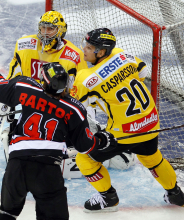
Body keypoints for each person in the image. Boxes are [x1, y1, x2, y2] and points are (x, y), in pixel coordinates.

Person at [0, 49, 117, 220]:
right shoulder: (74, 108)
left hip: (16, 165)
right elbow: (85, 145)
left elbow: (0, 90)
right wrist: (102, 139)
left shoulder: (25, 86)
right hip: (47, 169)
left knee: (7, 214)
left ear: (44, 81)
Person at [71, 27, 184, 212]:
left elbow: (76, 106)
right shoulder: (122, 55)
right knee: (152, 158)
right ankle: (175, 194)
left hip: (123, 133)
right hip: (150, 121)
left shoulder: (85, 77)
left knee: (85, 160)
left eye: (89, 47)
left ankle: (108, 198)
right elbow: (142, 73)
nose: (84, 48)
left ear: (101, 52)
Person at [0, 10, 88, 167]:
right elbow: (13, 77)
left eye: (51, 29)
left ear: (61, 30)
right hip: (30, 100)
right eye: (43, 28)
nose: (46, 33)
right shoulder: (24, 45)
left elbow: (78, 92)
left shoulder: (75, 56)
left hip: (57, 104)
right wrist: (8, 103)